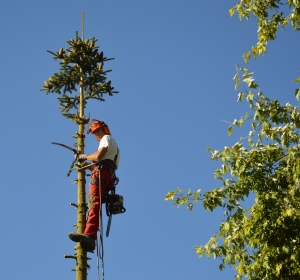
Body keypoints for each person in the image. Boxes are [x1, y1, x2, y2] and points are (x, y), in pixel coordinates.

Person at [69, 119, 120, 252]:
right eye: (94, 133)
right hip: (107, 175)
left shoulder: (106, 138)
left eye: (97, 131)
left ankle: (90, 236)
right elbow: (98, 164)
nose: (96, 134)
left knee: (93, 203)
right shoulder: (114, 147)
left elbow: (98, 156)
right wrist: (82, 161)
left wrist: (84, 156)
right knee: (95, 203)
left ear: (104, 129)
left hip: (101, 174)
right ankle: (90, 237)